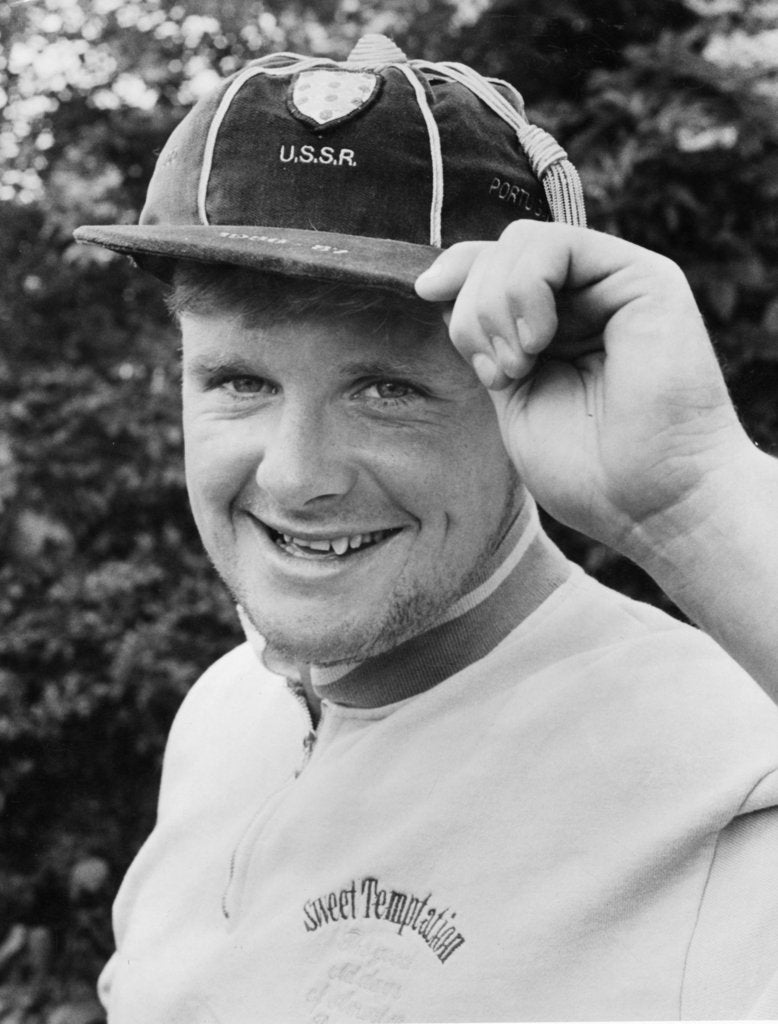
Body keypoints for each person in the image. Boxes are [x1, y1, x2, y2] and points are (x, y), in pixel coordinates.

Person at [75, 33, 778, 1024]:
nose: (296, 476)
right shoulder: (225, 710)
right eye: (238, 380)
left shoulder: (725, 768)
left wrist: (693, 497)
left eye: (388, 388)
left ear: (530, 387)